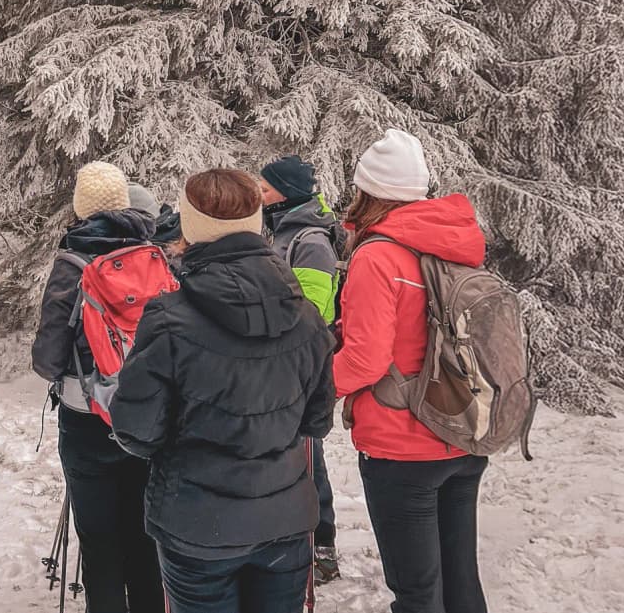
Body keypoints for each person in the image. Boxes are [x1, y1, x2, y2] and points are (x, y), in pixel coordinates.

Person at [109, 169, 336, 613]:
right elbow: (316, 420)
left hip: (197, 523)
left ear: (192, 228)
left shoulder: (168, 319)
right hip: (284, 519)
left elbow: (136, 431)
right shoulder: (307, 317)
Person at [334, 129, 490, 613]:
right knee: (461, 583)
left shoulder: (378, 256)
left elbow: (366, 359)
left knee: (417, 592)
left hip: (403, 446)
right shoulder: (454, 243)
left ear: (368, 191)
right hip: (462, 431)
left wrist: (306, 387)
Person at [32, 161, 165, 613]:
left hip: (87, 418)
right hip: (148, 416)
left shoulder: (72, 262)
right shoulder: (152, 256)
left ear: (81, 207)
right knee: (144, 536)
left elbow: (47, 358)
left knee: (100, 541)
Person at [259, 155, 342, 583]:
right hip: (284, 366)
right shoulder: (283, 232)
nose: (260, 192)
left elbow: (310, 312)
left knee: (310, 454)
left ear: (286, 192)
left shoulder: (308, 240)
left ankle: (321, 542)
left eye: (266, 186)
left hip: (303, 366)